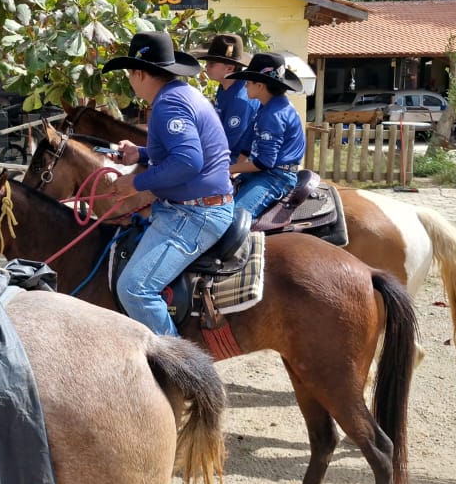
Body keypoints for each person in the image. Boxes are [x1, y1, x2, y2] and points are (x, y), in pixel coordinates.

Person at [102, 31, 235, 337]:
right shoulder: (180, 94)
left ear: (139, 73)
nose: (130, 80)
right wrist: (141, 154)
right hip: (196, 206)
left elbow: (188, 162)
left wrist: (136, 183)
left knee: (135, 289)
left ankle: (178, 361)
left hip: (195, 214)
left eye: (129, 74)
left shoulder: (168, 105)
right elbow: (184, 151)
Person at [226, 52, 307, 218]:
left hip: (276, 176)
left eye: (248, 82)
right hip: (265, 171)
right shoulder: (269, 106)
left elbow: (265, 162)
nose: (245, 86)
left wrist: (229, 169)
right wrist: (233, 171)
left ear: (260, 86)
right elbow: (247, 143)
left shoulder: (273, 115)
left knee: (234, 217)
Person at [195, 33, 259, 162]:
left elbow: (227, 143)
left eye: (211, 63)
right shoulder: (225, 86)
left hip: (237, 159)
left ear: (229, 68)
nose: (206, 66)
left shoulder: (240, 100)